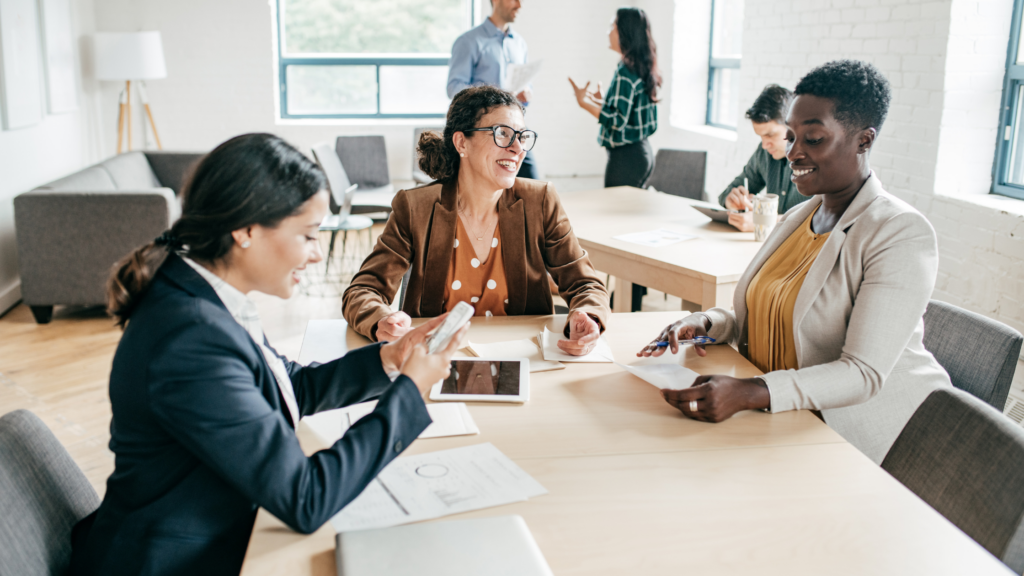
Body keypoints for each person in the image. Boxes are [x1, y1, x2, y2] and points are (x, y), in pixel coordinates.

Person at [69, 134, 468, 576]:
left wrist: (390, 359)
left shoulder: (207, 295)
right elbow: (305, 498)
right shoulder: (191, 338)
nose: (317, 254)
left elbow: (282, 385)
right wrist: (411, 389)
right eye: (307, 235)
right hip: (178, 560)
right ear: (246, 229)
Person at [637, 61, 952, 464]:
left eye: (814, 138)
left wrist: (752, 391)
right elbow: (769, 314)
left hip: (864, 441)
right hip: (784, 419)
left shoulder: (898, 232)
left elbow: (862, 373)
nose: (794, 152)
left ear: (863, 140)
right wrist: (708, 323)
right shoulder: (796, 218)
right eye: (791, 136)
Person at [343, 85, 610, 356]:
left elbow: (585, 283)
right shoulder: (415, 208)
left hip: (524, 359)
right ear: (462, 143)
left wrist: (588, 314)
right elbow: (363, 290)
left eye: (522, 136)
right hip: (437, 361)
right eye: (503, 134)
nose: (518, 148)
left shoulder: (539, 201)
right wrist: (381, 320)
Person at [568, 6, 661, 312]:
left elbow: (616, 123)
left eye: (612, 25)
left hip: (626, 158)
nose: (608, 29)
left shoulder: (624, 71)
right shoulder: (640, 67)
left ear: (624, 33)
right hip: (642, 153)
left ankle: (627, 301)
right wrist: (598, 101)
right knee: (632, 230)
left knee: (620, 234)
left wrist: (584, 104)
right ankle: (634, 296)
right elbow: (623, 115)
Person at [447, 0, 539, 180]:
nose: (519, 5)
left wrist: (526, 92)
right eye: (514, 0)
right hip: (484, 132)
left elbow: (526, 83)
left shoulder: (519, 43)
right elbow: (454, 88)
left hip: (515, 131)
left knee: (532, 186)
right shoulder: (468, 41)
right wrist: (495, 96)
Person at [718, 84, 810, 232]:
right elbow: (726, 193)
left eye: (770, 135)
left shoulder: (817, 160)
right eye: (760, 136)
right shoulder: (765, 153)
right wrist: (733, 201)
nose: (765, 145)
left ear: (794, 126)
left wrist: (766, 221)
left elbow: (825, 218)